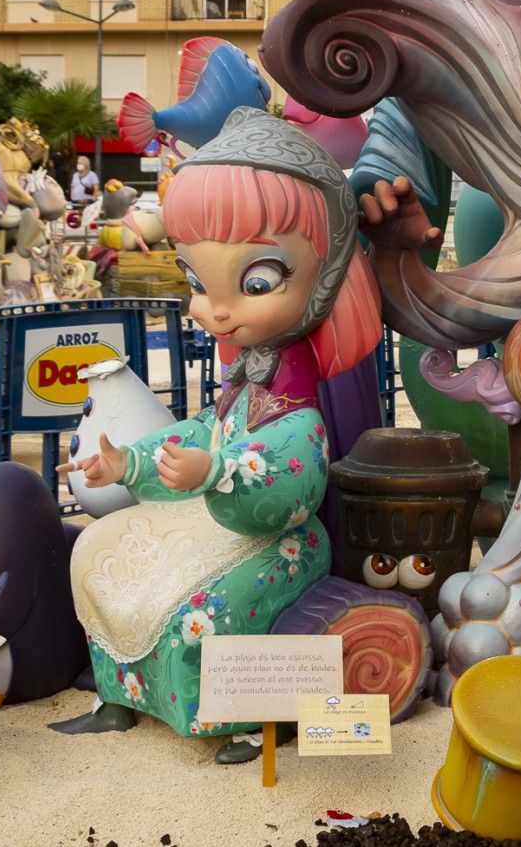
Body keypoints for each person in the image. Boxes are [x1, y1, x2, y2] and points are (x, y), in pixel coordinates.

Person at [52, 109, 382, 761]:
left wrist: (217, 473)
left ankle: (235, 718)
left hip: (279, 536)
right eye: (199, 282)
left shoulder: (297, 401)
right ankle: (119, 696)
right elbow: (202, 429)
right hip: (212, 519)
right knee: (96, 551)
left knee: (198, 609)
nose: (218, 307)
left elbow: (293, 466)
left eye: (257, 282)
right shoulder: (242, 381)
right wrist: (129, 463)